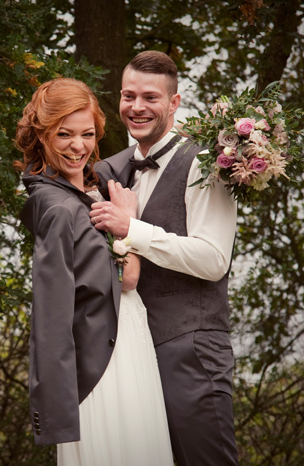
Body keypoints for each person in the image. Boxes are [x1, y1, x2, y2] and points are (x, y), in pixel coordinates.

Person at [90, 51, 240, 466]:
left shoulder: (206, 162)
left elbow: (213, 259)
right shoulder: (113, 170)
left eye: (150, 97)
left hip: (191, 348)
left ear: (174, 103)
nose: (136, 107)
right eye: (128, 95)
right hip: (130, 353)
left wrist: (131, 228)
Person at [15, 77, 173, 465]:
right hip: (105, 359)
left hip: (128, 341)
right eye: (64, 134)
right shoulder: (58, 208)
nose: (78, 146)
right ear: (43, 134)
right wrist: (129, 221)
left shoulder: (90, 187)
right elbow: (125, 278)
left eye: (87, 134)